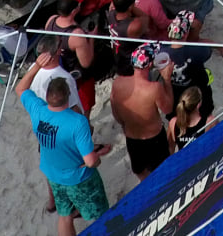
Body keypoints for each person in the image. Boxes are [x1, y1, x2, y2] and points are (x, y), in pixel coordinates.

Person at [19, 52, 108, 236]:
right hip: (79, 178)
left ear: (47, 96)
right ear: (68, 96)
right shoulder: (77, 122)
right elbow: (90, 162)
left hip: (53, 175)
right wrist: (98, 156)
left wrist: (36, 65)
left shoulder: (38, 110)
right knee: (100, 215)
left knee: (64, 215)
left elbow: (20, 88)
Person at [110, 44, 175, 178]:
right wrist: (167, 80)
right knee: (163, 171)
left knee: (141, 173)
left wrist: (124, 125)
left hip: (132, 138)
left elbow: (115, 110)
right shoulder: (154, 88)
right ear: (150, 64)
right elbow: (168, 109)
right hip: (154, 138)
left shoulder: (118, 83)